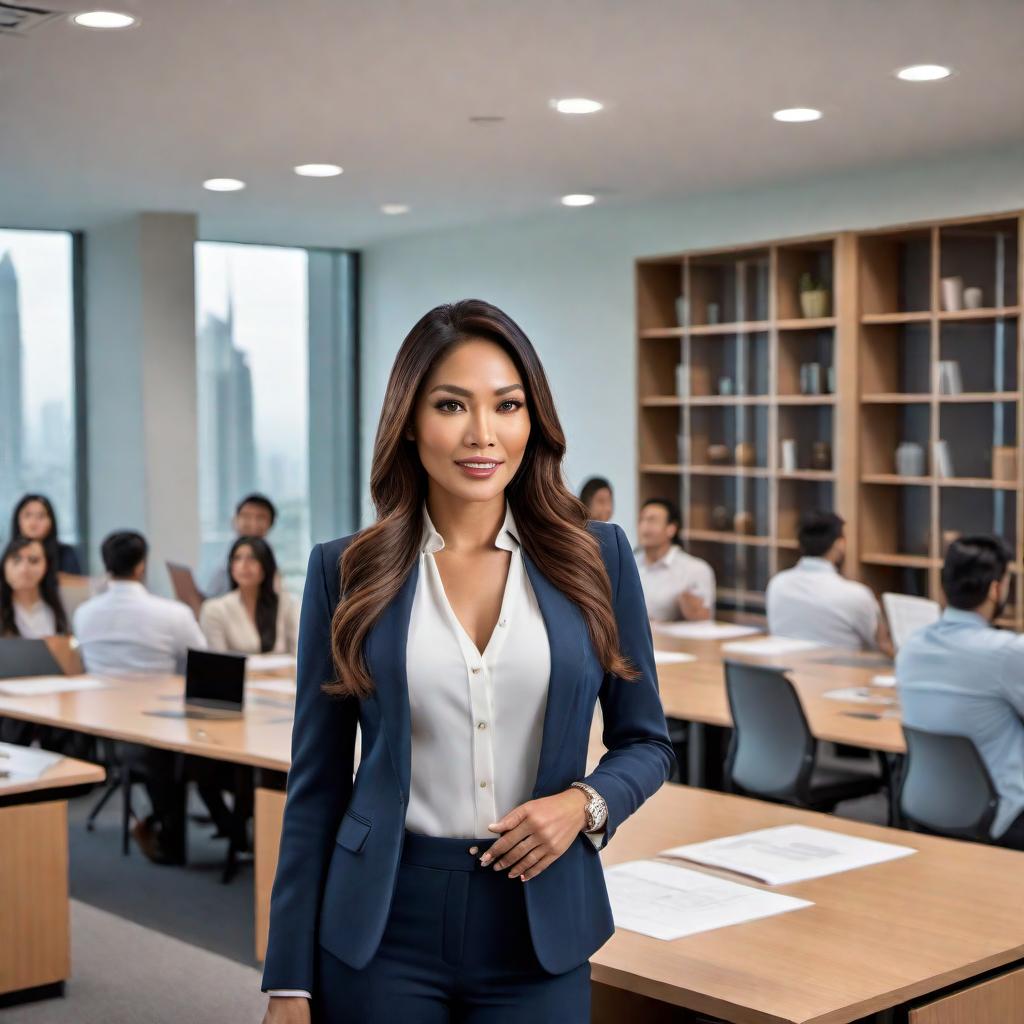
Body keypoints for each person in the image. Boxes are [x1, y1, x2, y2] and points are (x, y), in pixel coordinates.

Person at [260, 300, 673, 1024]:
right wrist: (288, 981)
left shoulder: (598, 558)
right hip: (385, 916)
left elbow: (647, 742)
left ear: (531, 421)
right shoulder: (345, 571)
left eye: (507, 406)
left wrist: (581, 805)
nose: (483, 434)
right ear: (410, 421)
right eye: (452, 405)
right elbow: (317, 786)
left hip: (539, 917)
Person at [73, 530, 208, 863]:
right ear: (141, 566)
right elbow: (201, 662)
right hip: (160, 725)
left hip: (102, 722)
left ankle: (163, 825)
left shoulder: (83, 614)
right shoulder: (172, 613)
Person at [897, 535, 1024, 849]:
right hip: (1002, 817)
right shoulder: (1007, 653)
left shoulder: (911, 647)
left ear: (944, 587)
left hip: (928, 805)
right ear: (997, 589)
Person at [766, 509, 892, 655]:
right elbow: (880, 646)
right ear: (839, 544)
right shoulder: (855, 595)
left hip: (789, 676)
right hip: (844, 676)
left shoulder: (777, 584)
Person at [200, 537, 298, 655]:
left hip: (286, 674)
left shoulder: (286, 604)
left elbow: (299, 656)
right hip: (234, 674)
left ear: (266, 565)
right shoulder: (214, 609)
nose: (244, 565)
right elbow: (218, 663)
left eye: (252, 558)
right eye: (237, 558)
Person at [635, 498, 715, 621]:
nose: (644, 526)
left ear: (671, 529)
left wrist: (689, 605)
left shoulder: (696, 569)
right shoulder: (630, 562)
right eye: (642, 520)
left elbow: (703, 622)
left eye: (652, 520)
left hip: (671, 639)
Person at [206, 493, 278, 598]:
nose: (253, 523)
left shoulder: (268, 556)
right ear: (235, 520)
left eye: (260, 518)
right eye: (246, 516)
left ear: (270, 523)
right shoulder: (222, 553)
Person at [0, 536, 69, 638]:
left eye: (33, 560)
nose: (24, 569)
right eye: (16, 560)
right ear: (4, 565)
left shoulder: (62, 603)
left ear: (47, 566)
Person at [10, 493, 82, 576]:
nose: (33, 522)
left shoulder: (65, 553)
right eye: (28, 515)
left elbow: (77, 585)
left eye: (41, 516)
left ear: (51, 522)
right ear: (18, 520)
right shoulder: (10, 554)